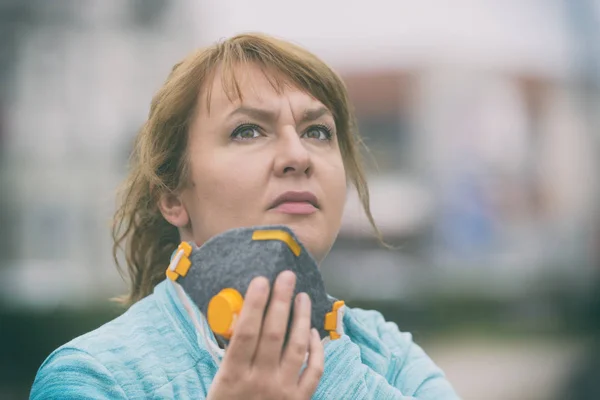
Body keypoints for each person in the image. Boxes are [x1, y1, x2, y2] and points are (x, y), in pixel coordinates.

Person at [30, 33, 459, 399]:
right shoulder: (95, 377)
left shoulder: (388, 351)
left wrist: (320, 349)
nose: (298, 155)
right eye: (247, 131)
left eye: (317, 131)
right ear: (172, 197)